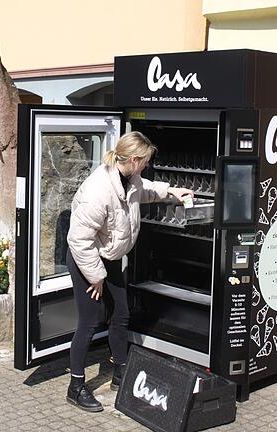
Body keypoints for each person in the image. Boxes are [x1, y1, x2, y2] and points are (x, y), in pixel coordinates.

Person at [65, 131, 194, 412]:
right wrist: (96, 277)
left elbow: (144, 189)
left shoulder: (130, 177)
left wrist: (171, 191)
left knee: (120, 314)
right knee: (90, 321)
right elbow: (78, 240)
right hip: (86, 260)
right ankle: (75, 387)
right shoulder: (98, 191)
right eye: (145, 161)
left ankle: (120, 373)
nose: (147, 165)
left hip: (107, 257)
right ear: (134, 159)